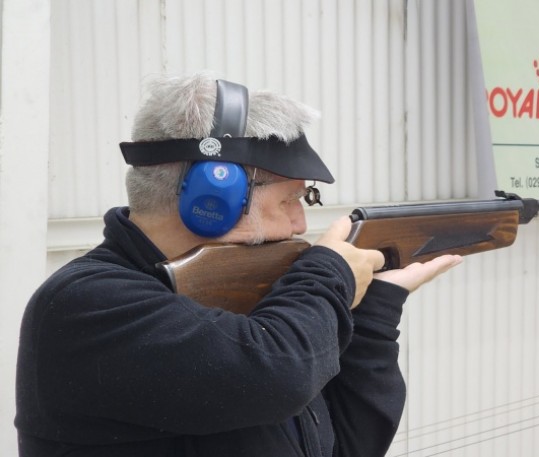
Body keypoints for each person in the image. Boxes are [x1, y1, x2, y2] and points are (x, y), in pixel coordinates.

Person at [15, 72, 462, 456]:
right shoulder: (86, 304)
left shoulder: (251, 301)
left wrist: (375, 309)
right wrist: (331, 273)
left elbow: (347, 444)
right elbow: (277, 373)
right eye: (290, 198)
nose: (300, 221)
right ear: (213, 197)